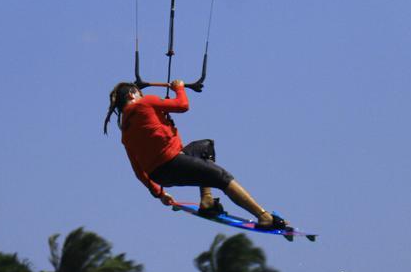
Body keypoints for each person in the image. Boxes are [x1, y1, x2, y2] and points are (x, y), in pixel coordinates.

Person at [103, 79, 287, 230]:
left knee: (205, 147)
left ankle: (207, 201)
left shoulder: (125, 135)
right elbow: (183, 105)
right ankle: (264, 217)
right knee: (222, 177)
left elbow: (139, 172)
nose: (142, 96)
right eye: (139, 93)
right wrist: (179, 88)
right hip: (173, 162)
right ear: (132, 94)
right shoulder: (145, 102)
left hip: (161, 175)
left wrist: (159, 193)